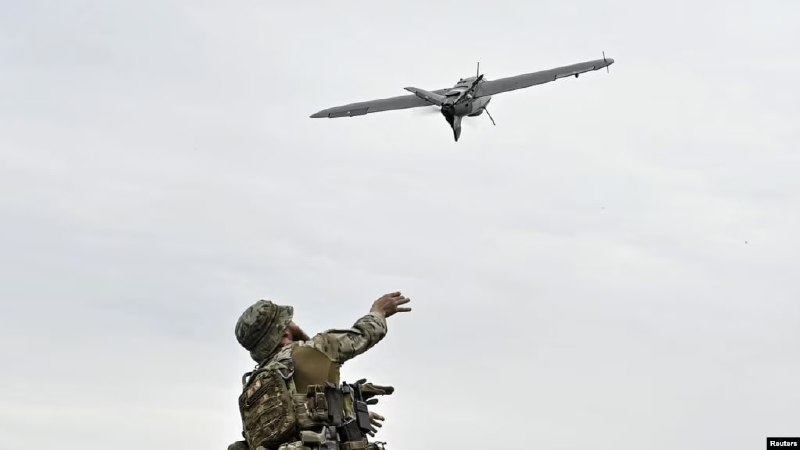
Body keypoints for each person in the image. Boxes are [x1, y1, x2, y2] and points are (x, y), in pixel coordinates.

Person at [228, 291, 412, 450]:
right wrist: (379, 311)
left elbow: (295, 422)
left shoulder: (254, 387)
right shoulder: (316, 349)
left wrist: (348, 408)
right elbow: (366, 333)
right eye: (290, 321)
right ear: (284, 333)